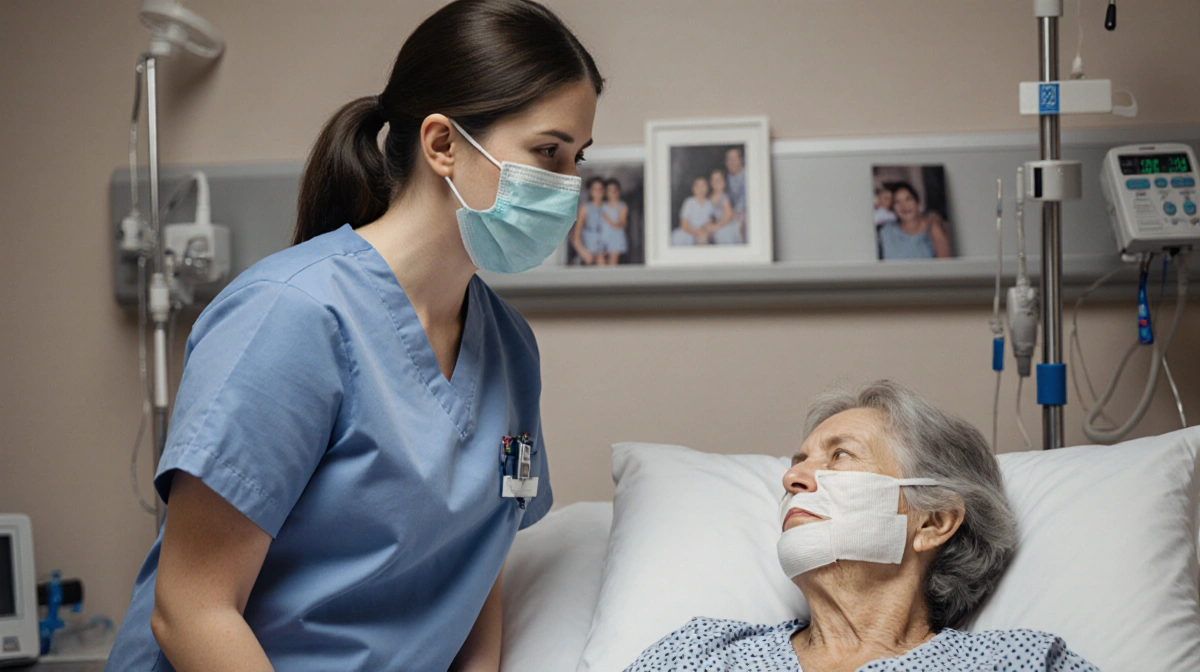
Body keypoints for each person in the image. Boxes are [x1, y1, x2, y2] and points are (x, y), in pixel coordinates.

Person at [104, 1, 602, 670]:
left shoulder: (508, 349)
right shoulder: (290, 316)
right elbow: (192, 610)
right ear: (443, 144)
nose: (568, 187)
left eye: (577, 158)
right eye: (548, 152)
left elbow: (475, 566)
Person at [625, 381, 1100, 672]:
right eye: (798, 463)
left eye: (840, 455)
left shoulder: (1015, 664)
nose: (792, 479)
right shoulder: (702, 654)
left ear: (933, 522)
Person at [877, 182, 952, 260]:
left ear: (918, 203)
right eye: (897, 202)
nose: (904, 206)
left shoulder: (933, 228)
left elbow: (946, 264)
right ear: (893, 208)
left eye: (908, 199)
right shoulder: (886, 232)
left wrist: (935, 224)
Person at [571, 176, 608, 265]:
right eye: (595, 189)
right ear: (591, 191)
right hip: (588, 252)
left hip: (604, 252)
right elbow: (575, 237)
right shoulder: (585, 209)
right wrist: (584, 253)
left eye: (600, 189)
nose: (598, 192)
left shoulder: (608, 208)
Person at [671, 176, 714, 246]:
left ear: (708, 188)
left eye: (704, 185)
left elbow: (710, 221)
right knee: (678, 239)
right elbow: (684, 224)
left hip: (702, 233)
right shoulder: (689, 202)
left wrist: (705, 230)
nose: (701, 189)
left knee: (703, 239)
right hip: (688, 232)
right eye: (698, 186)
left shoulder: (709, 204)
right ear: (693, 189)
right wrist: (697, 232)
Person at [599, 178, 629, 264]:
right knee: (601, 262)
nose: (612, 193)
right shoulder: (602, 205)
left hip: (616, 239)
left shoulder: (622, 206)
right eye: (609, 190)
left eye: (615, 190)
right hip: (603, 238)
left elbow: (622, 223)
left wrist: (607, 218)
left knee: (612, 264)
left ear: (619, 191)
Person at [708, 168, 741, 245]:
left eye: (719, 180)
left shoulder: (724, 197)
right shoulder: (709, 199)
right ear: (710, 183)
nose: (717, 183)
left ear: (724, 183)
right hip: (719, 223)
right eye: (714, 180)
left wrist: (716, 226)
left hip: (729, 224)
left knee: (722, 234)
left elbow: (728, 216)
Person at [724, 146, 748, 238]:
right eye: (729, 159)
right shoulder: (724, 178)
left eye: (734, 159)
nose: (731, 162)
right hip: (730, 216)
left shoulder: (749, 175)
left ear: (741, 160)